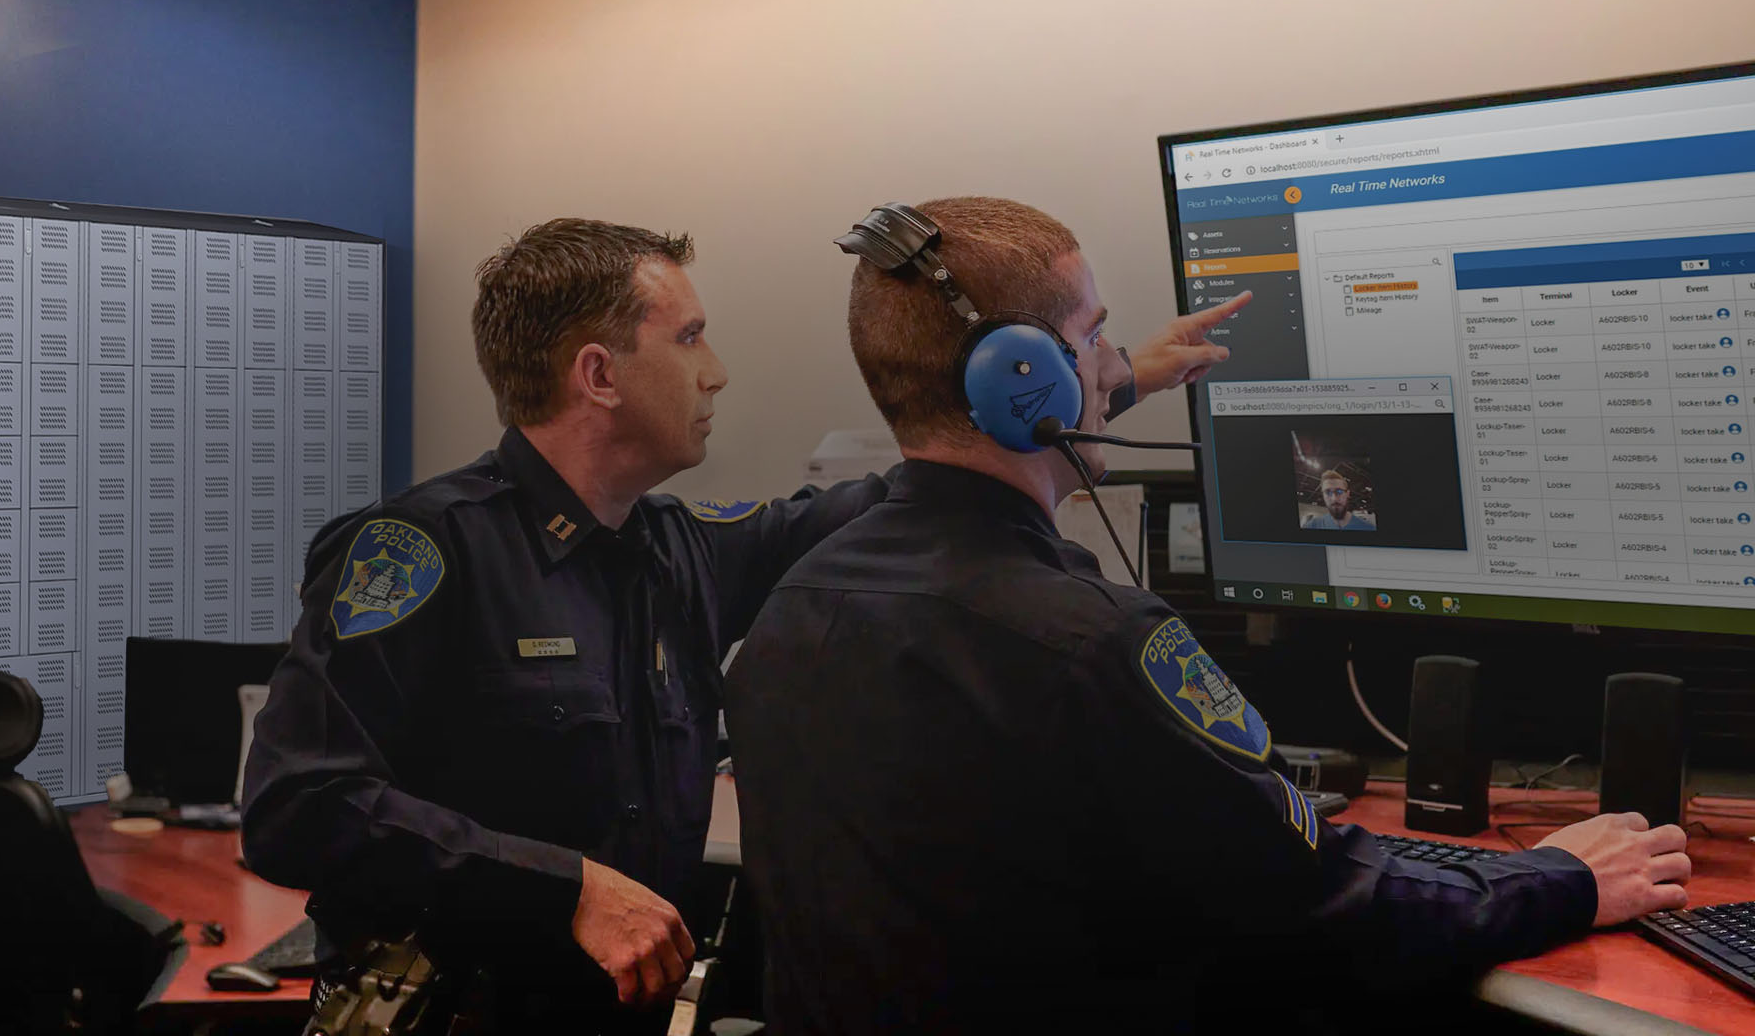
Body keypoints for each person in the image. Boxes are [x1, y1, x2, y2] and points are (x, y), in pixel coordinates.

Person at [239, 216, 1233, 1034]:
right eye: (688, 338)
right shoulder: (425, 551)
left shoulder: (676, 548)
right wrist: (567, 889)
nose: (715, 372)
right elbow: (299, 804)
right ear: (598, 375)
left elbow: (908, 490)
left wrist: (1093, 384)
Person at [723, 197, 1690, 1036]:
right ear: (1029, 383)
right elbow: (1333, 902)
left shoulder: (790, 610)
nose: (1113, 362)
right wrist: (1561, 876)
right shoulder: (1094, 642)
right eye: (1095, 336)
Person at [1303, 467, 1375, 530]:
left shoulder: (1368, 528)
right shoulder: (1312, 526)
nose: (1334, 498)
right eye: (1328, 492)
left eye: (1339, 491)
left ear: (1347, 494)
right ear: (1323, 495)